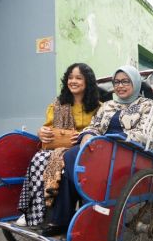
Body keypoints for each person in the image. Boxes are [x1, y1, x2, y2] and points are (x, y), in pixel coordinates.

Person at [42, 65, 153, 237]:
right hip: (102, 149)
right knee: (71, 155)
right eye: (116, 82)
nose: (120, 86)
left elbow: (145, 134)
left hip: (128, 152)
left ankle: (86, 208)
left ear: (136, 83)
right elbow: (94, 125)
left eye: (125, 81)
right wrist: (87, 135)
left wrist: (115, 139)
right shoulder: (108, 105)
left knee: (73, 160)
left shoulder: (147, 106)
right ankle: (65, 218)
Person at [16, 63, 100, 227]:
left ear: (87, 82)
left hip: (84, 151)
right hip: (57, 147)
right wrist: (42, 131)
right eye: (70, 78)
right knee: (39, 159)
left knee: (65, 164)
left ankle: (61, 216)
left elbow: (100, 131)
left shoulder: (99, 107)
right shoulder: (57, 104)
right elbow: (47, 128)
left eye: (78, 78)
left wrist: (83, 135)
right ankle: (33, 212)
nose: (73, 81)